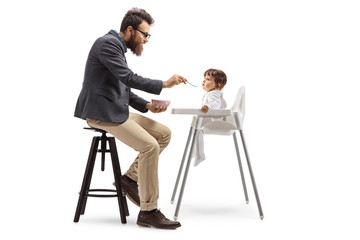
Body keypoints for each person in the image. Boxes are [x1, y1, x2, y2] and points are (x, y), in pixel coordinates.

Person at [74, 8, 187, 229]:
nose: (146, 40)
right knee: (150, 146)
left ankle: (129, 179)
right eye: (144, 35)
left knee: (163, 134)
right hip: (101, 113)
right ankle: (148, 211)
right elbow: (128, 77)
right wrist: (164, 83)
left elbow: (122, 84)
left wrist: (145, 105)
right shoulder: (107, 44)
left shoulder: (117, 46)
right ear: (129, 30)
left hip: (115, 109)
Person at [193, 69, 227, 166]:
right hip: (211, 119)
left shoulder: (214, 93)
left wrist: (208, 106)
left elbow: (216, 104)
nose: (204, 81)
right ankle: (197, 151)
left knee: (198, 130)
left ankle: (200, 154)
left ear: (218, 84)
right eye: (204, 78)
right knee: (196, 129)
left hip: (213, 120)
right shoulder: (212, 93)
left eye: (208, 79)